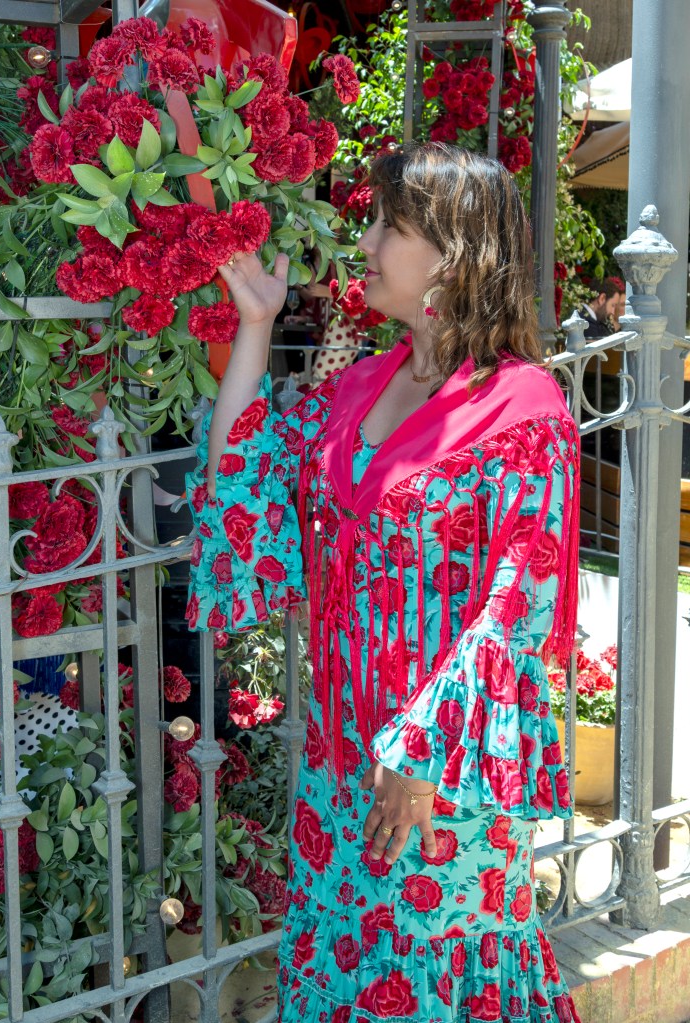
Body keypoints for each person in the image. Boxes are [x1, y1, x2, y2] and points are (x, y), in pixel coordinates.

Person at [186, 142, 581, 1023]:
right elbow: (246, 480)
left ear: (454, 253)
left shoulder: (523, 410)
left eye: (389, 225)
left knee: (438, 981)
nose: (364, 243)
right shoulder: (357, 389)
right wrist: (256, 324)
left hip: (443, 780)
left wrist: (421, 759)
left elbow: (517, 603)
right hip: (337, 773)